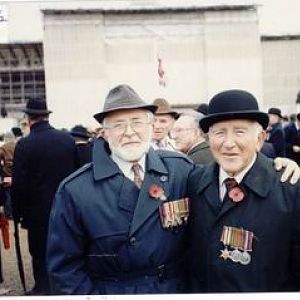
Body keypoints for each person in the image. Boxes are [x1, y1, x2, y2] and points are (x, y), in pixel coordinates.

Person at [47, 84, 194, 294]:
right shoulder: (75, 190)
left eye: (137, 122)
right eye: (118, 125)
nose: (129, 132)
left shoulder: (181, 170)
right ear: (105, 134)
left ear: (151, 127)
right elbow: (65, 271)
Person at [187, 89, 300, 292]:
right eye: (219, 132)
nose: (229, 143)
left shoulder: (290, 188)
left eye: (240, 132)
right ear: (209, 138)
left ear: (260, 139)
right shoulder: (194, 182)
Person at [11, 97, 78, 295]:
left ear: (28, 118)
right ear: (46, 116)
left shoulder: (24, 144)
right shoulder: (67, 139)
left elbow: (19, 184)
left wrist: (16, 212)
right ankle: (67, 287)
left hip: (37, 213)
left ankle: (43, 288)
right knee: (68, 249)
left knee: (40, 253)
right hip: (67, 207)